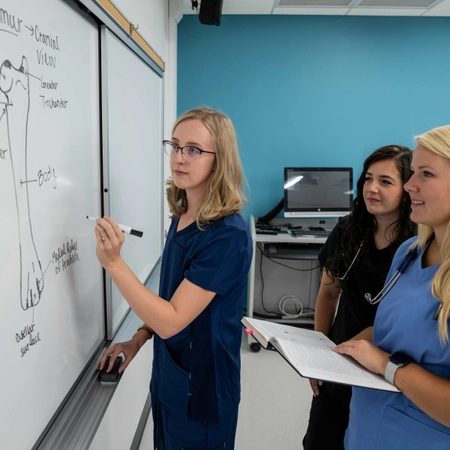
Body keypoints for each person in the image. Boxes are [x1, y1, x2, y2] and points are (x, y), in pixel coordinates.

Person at [94, 107, 252, 449]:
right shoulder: (182, 217)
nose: (179, 157)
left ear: (219, 160)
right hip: (170, 381)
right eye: (175, 145)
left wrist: (114, 264)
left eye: (194, 149)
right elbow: (171, 298)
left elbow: (173, 321)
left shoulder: (227, 236)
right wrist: (137, 338)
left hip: (201, 392)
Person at [332, 125, 450, 449]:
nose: (410, 185)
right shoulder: (409, 252)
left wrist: (387, 365)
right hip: (362, 432)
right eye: (413, 173)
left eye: (426, 174)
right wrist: (333, 355)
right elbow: (389, 330)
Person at [302, 145, 417, 450]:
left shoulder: (419, 244)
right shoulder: (347, 230)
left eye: (385, 181)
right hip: (338, 360)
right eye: (368, 179)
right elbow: (328, 294)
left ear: (408, 189)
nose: (372, 188)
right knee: (320, 441)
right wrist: (317, 354)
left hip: (386, 370)